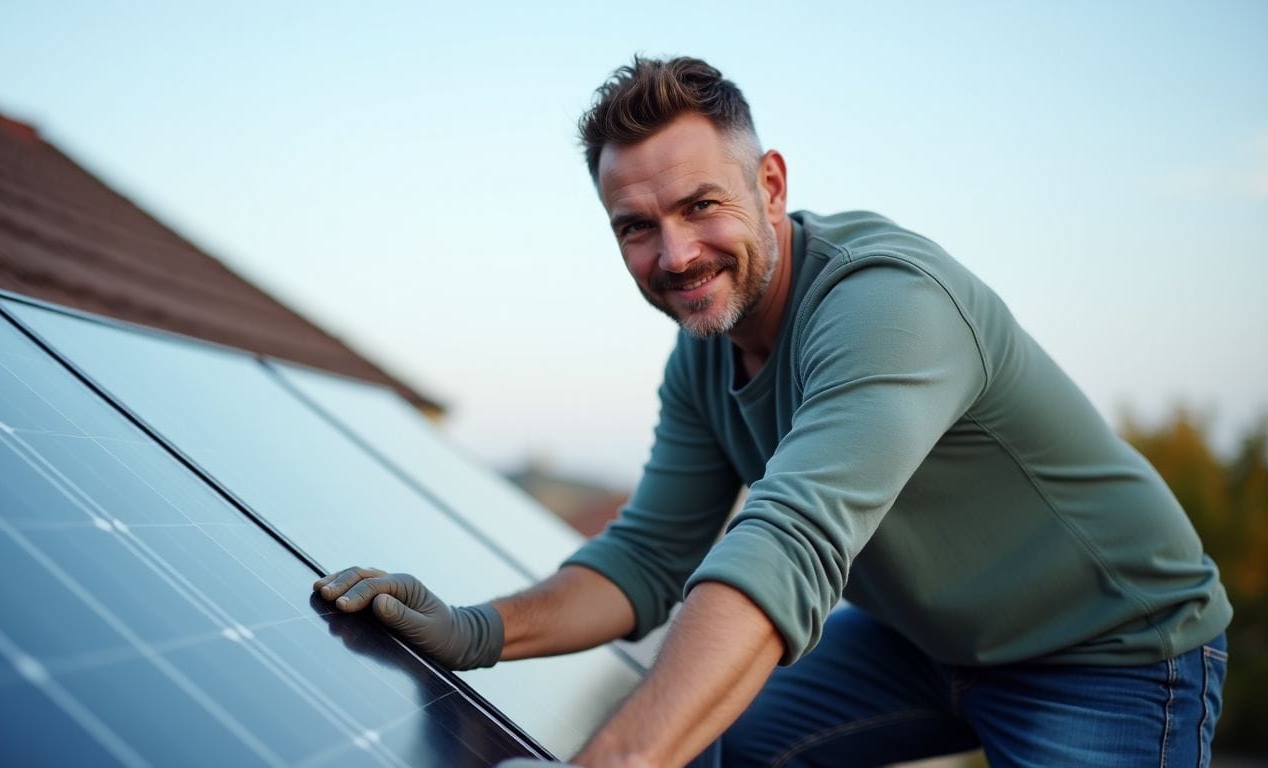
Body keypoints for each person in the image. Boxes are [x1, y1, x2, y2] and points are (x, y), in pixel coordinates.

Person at [314, 56, 1232, 767]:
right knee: (724, 739)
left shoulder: (890, 308)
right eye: (635, 226)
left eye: (699, 206)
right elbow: (647, 556)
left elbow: (789, 541)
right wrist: (475, 631)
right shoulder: (703, 353)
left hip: (1108, 648)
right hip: (923, 638)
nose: (674, 255)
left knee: (666, 730)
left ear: (773, 186)